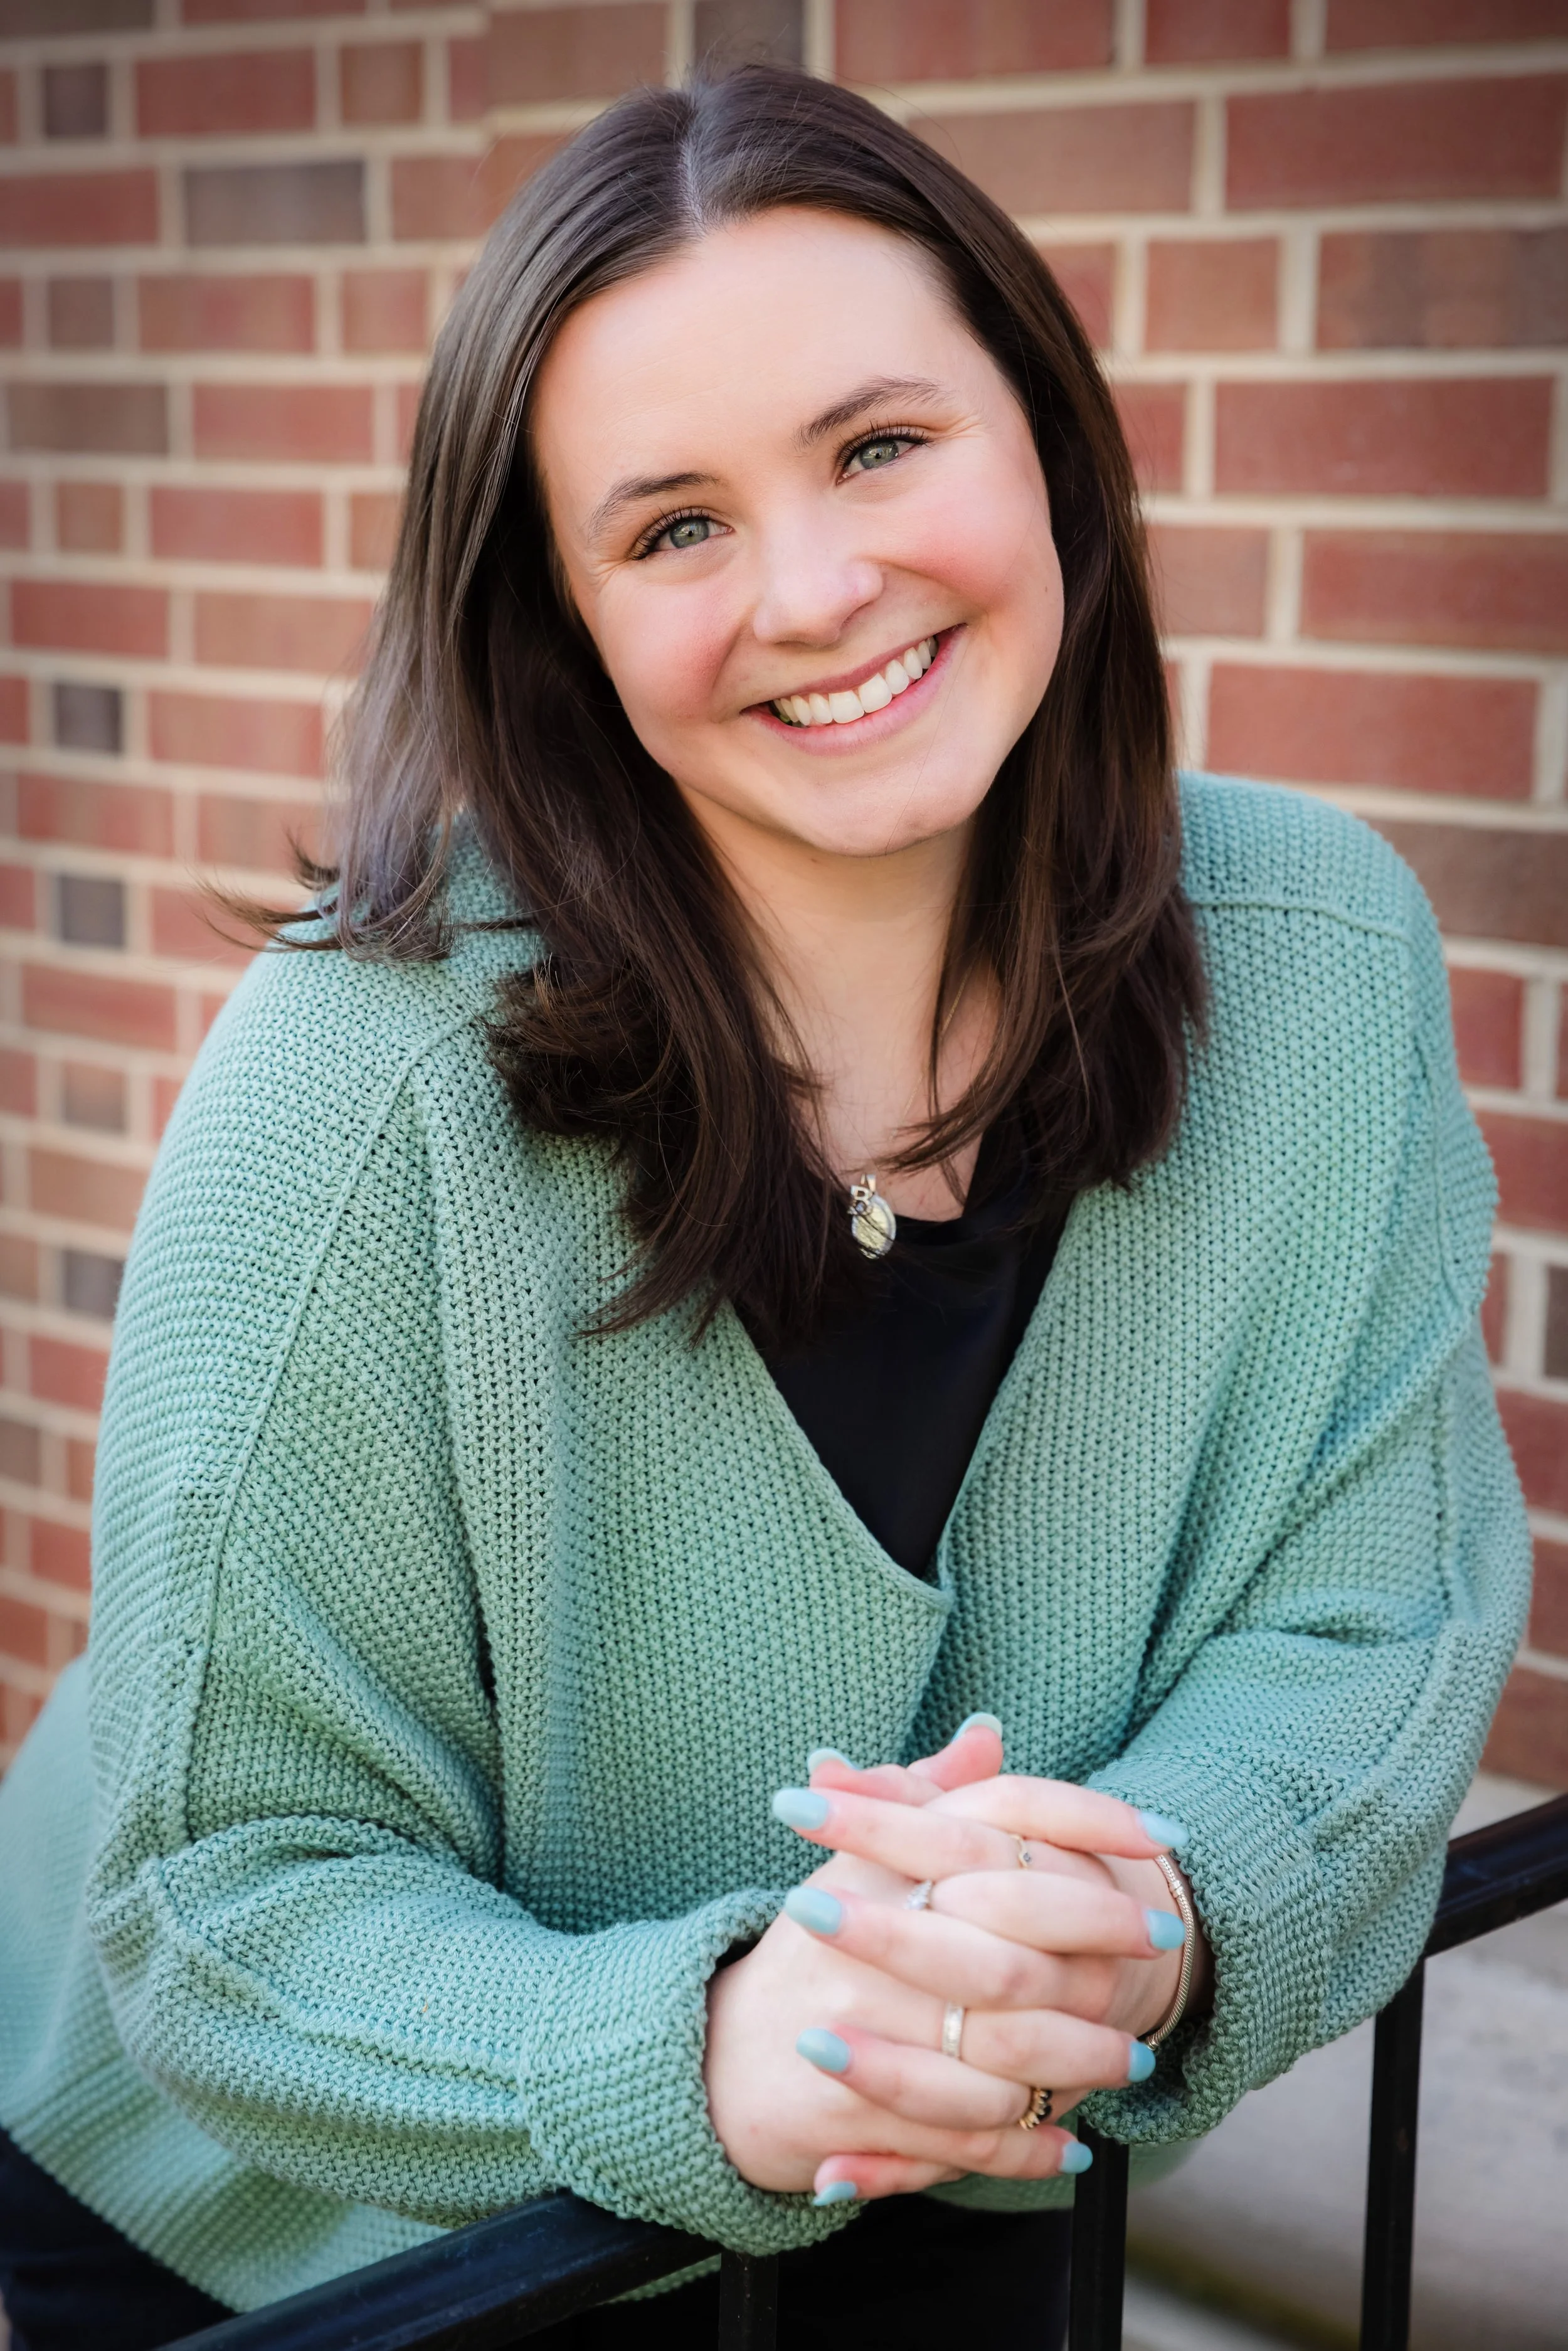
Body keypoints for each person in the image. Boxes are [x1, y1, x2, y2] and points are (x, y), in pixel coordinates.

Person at [0, 65, 1530, 2351]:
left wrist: (1159, 1907)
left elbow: (1363, 1613)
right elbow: (233, 1891)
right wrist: (712, 2042)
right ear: (567, 624)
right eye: (673, 526)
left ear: (1043, 436)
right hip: (315, 2247)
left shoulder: (1326, 957)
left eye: (880, 443)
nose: (818, 589)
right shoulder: (359, 1076)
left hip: (968, 2177)